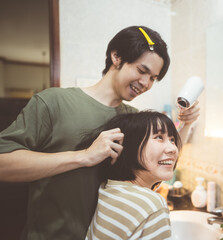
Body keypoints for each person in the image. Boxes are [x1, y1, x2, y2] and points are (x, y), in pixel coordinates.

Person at [0, 26, 199, 239]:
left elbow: (164, 158)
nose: (145, 83)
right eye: (142, 71)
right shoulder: (52, 102)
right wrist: (84, 156)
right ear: (116, 56)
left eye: (153, 78)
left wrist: (186, 123)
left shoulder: (133, 119)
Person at [78, 110, 181, 240]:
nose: (173, 149)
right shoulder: (152, 205)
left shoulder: (108, 188)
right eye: (159, 137)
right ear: (131, 147)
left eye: (172, 140)